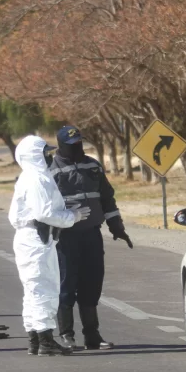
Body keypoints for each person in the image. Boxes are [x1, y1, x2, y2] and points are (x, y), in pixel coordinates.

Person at [50, 125, 133, 350]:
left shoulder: (92, 165)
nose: (77, 147)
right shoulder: (51, 169)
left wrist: (117, 227)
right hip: (64, 238)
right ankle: (66, 335)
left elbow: (107, 198)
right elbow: (46, 207)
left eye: (79, 143)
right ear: (61, 146)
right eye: (71, 145)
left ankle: (92, 336)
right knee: (67, 285)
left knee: (92, 284)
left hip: (91, 236)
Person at [9, 135, 91, 356]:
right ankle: (45, 340)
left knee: (34, 289)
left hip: (34, 238)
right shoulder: (37, 179)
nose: (49, 156)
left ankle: (35, 339)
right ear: (34, 156)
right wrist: (72, 216)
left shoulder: (31, 177)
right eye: (45, 153)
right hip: (37, 238)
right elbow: (44, 213)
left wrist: (65, 211)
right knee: (44, 288)